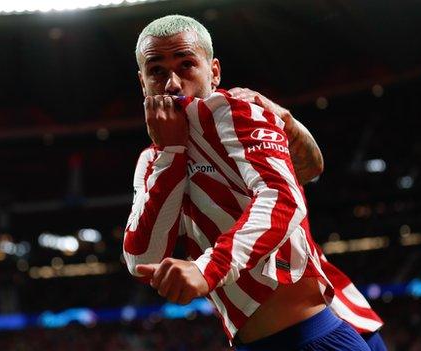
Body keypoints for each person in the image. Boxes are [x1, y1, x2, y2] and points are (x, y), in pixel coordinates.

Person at [123, 15, 384, 350]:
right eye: (156, 71)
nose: (172, 84)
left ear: (214, 72)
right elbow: (142, 258)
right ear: (143, 82)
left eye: (186, 65)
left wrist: (208, 268)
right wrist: (171, 152)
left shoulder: (235, 110)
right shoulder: (151, 160)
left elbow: (286, 196)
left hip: (313, 333)